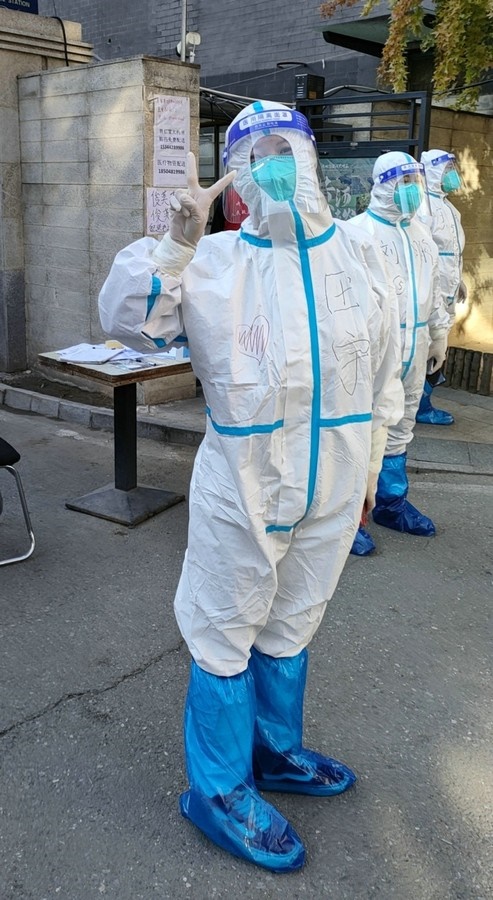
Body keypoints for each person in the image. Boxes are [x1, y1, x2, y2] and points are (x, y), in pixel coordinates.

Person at [98, 101, 403, 872]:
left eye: (285, 149)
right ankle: (219, 791)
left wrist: (370, 471)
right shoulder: (214, 263)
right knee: (225, 626)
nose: (274, 167)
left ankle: (274, 755)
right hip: (244, 486)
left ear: (310, 158)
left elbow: (382, 377)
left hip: (334, 480)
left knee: (293, 621)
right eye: (254, 156)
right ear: (234, 177)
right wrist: (177, 239)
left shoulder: (359, 256)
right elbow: (129, 321)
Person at [349, 151, 450, 556]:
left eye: (415, 181)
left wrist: (439, 333)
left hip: (415, 347)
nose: (412, 190)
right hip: (372, 352)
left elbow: (434, 288)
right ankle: (347, 517)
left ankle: (390, 503)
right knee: (360, 432)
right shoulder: (357, 234)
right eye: (404, 181)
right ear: (383, 183)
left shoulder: (420, 234)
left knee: (401, 425)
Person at [416, 149, 466, 425]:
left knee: (437, 349)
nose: (453, 175)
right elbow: (425, 256)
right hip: (432, 293)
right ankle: (419, 406)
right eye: (448, 169)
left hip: (447, 291)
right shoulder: (424, 207)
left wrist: (459, 280)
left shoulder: (449, 208)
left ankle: (422, 401)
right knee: (429, 348)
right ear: (434, 171)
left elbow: (452, 252)